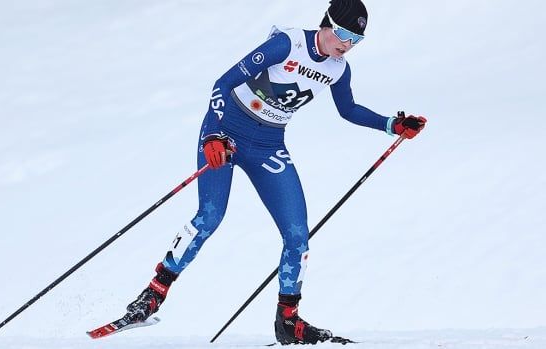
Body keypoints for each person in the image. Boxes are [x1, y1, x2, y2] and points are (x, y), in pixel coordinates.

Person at [124, 0, 426, 344]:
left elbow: (349, 110)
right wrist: (212, 134)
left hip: (269, 145)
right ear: (326, 25)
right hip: (227, 133)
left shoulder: (339, 68)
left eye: (356, 40)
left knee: (298, 234)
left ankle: (288, 321)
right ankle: (151, 296)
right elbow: (222, 84)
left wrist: (392, 124)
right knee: (209, 217)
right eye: (343, 34)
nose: (347, 45)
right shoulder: (288, 44)